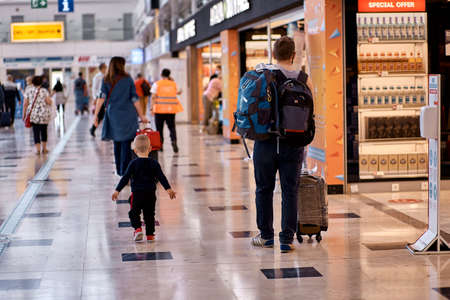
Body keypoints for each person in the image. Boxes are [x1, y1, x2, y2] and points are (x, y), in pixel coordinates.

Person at [251, 36, 314, 253]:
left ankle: (266, 236)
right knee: (290, 191)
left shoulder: (264, 76)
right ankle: (286, 239)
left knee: (263, 189)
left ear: (273, 54)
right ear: (294, 55)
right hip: (294, 143)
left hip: (266, 142)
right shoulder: (304, 79)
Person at [112, 134, 176, 242]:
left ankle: (137, 229)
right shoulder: (154, 163)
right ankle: (150, 235)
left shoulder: (133, 164)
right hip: (150, 195)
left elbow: (125, 177)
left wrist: (117, 190)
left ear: (135, 150)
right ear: (150, 149)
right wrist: (168, 189)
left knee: (134, 213)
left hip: (137, 195)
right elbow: (161, 177)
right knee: (149, 214)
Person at [93, 56, 149, 176]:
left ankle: (120, 171)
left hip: (113, 116)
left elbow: (101, 98)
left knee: (117, 143)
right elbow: (135, 99)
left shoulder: (106, 79)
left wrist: (96, 115)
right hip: (128, 115)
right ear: (121, 65)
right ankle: (125, 172)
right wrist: (142, 115)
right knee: (126, 144)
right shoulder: (128, 79)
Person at [150, 68, 183, 153]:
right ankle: (174, 141)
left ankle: (160, 146)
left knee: (159, 129)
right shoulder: (173, 84)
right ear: (169, 74)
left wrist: (151, 108)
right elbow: (179, 92)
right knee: (172, 127)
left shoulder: (157, 84)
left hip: (159, 110)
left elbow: (153, 97)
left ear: (161, 74)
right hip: (171, 110)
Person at [23, 76, 53, 155]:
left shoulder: (29, 91)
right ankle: (44, 148)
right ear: (41, 82)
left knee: (35, 132)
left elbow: (25, 104)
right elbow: (49, 102)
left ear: (32, 82)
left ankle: (38, 150)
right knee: (44, 131)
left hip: (34, 114)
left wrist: (24, 115)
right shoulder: (44, 91)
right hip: (44, 114)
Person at [90, 63, 107, 137]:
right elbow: (94, 88)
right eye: (105, 67)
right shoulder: (97, 77)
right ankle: (93, 129)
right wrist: (95, 98)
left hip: (106, 98)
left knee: (105, 115)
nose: (106, 69)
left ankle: (105, 132)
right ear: (101, 68)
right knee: (100, 115)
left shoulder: (106, 76)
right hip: (100, 98)